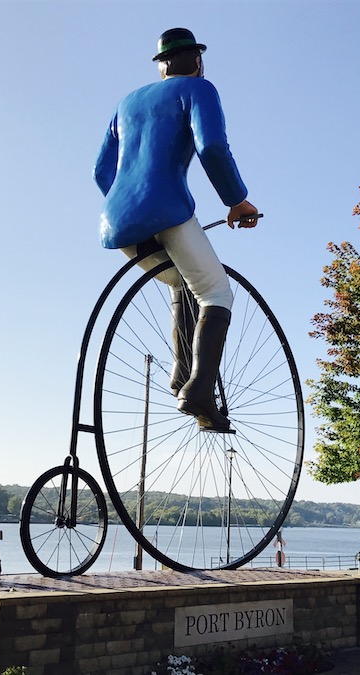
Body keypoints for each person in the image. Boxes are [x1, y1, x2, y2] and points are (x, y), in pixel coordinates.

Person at [94, 27, 259, 432]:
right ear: (198, 61)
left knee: (182, 283)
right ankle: (198, 390)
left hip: (116, 222)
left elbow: (101, 171)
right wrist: (236, 201)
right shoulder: (200, 90)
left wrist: (127, 204)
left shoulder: (126, 103)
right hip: (167, 210)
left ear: (162, 66)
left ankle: (181, 371)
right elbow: (213, 148)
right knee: (216, 291)